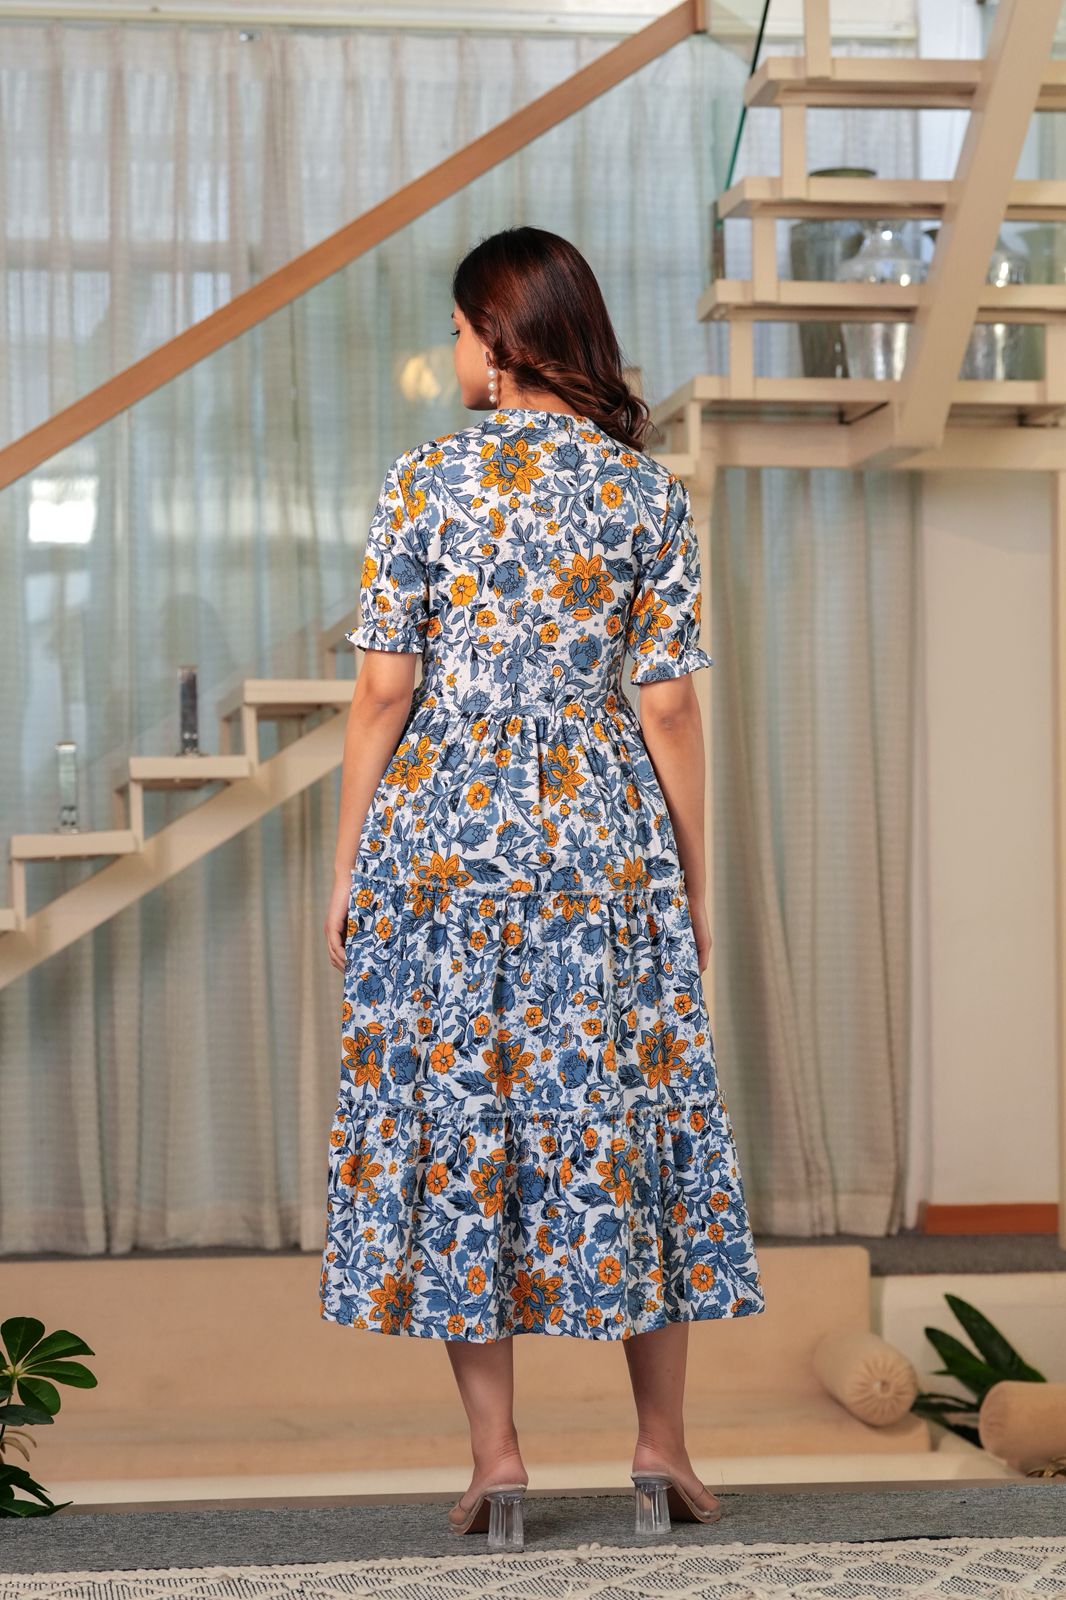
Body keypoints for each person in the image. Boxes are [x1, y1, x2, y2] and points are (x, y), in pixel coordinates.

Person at [318, 225, 765, 1551]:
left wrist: (347, 862)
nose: (454, 352)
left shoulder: (422, 481)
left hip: (442, 842)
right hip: (598, 838)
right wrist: (690, 878)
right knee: (634, 1118)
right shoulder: (645, 494)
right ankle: (660, 1448)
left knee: (466, 1128)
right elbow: (668, 708)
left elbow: (382, 692)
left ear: (503, 342)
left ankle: (497, 1460)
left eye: (460, 330)